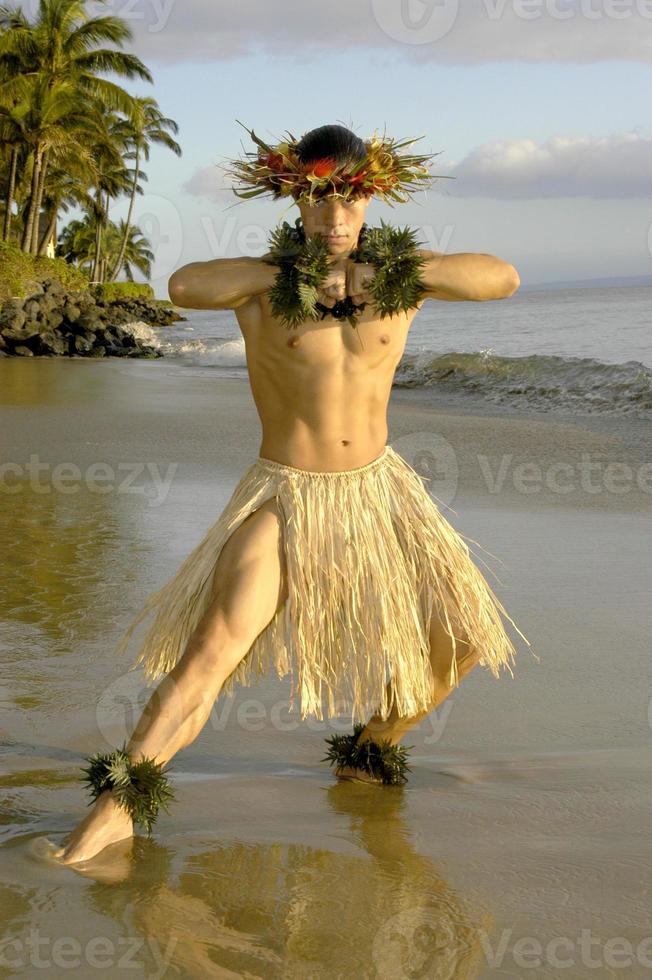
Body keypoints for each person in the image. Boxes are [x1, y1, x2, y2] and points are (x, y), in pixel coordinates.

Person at [53, 122, 532, 865]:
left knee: (462, 638)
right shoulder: (261, 290)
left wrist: (390, 269)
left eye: (348, 200)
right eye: (318, 200)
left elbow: (503, 277)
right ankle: (117, 808)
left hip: (380, 494)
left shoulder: (400, 281)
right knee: (212, 647)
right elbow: (185, 286)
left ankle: (372, 747)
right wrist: (287, 273)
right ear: (294, 200)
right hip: (285, 496)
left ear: (370, 199)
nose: (334, 218)